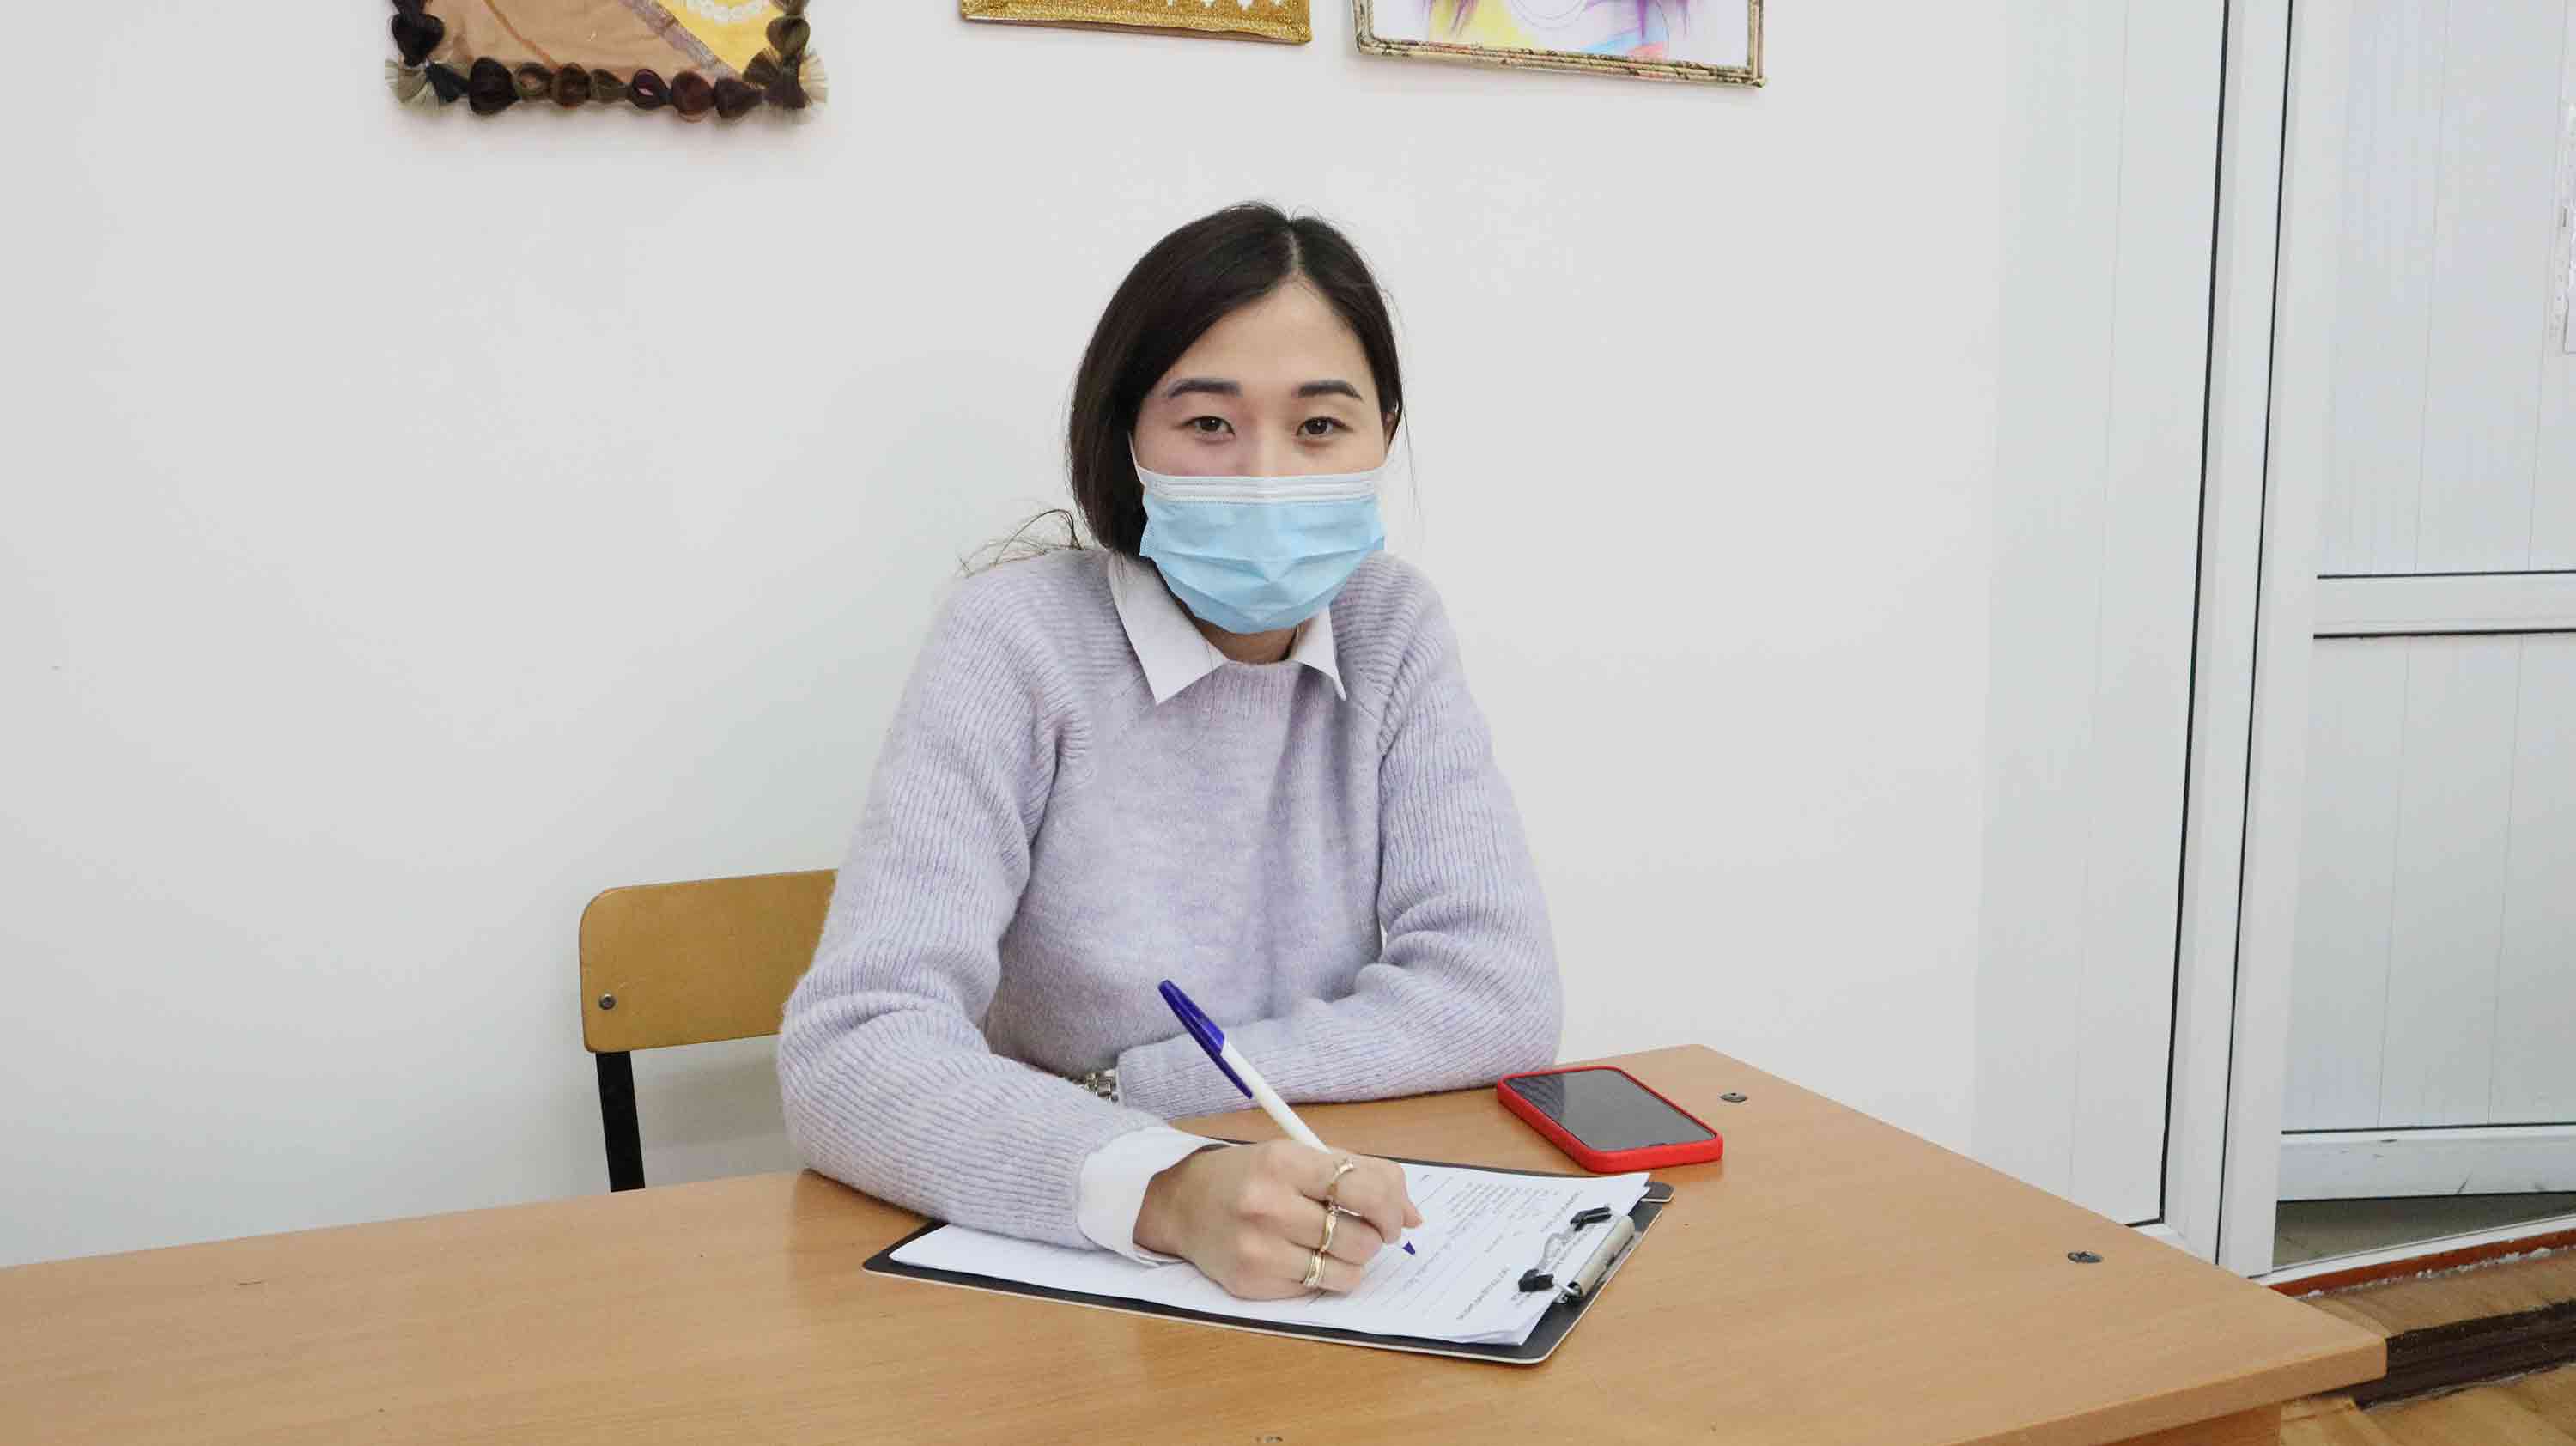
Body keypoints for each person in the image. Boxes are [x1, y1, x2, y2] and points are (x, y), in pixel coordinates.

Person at [778, 202, 1560, 1300]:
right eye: (1207, 424)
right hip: (1072, 1259)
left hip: (1323, 1237)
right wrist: (1169, 1182)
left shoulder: (1392, 625)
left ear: (1384, 435)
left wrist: (1142, 1086)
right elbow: (851, 1048)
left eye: (1320, 426)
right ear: (1127, 436)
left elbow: (1497, 992)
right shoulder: (1014, 638)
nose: (1265, 476)